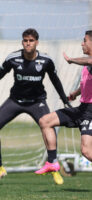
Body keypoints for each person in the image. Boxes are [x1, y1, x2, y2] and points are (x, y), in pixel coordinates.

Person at [0, 28, 69, 185]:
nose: (28, 43)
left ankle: (53, 166)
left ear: (37, 43)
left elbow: (55, 79)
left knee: (48, 127)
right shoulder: (13, 58)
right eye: (25, 41)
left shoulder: (46, 61)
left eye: (31, 41)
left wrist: (64, 99)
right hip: (15, 100)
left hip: (37, 101)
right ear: (22, 42)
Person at [35, 30, 92, 179]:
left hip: (91, 113)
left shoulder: (88, 61)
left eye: (84, 40)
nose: (82, 43)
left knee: (86, 151)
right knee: (45, 121)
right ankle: (52, 162)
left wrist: (72, 60)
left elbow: (89, 61)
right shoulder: (87, 65)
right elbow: (88, 83)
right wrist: (76, 93)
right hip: (81, 109)